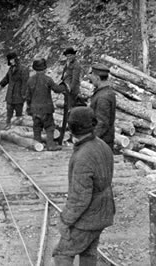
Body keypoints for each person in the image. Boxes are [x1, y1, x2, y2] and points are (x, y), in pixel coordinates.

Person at [52, 106, 115, 266]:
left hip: (88, 217)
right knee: (88, 252)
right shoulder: (102, 146)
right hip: (103, 212)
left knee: (62, 253)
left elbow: (80, 198)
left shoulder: (83, 156)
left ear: (71, 128)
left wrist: (65, 220)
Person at [25, 58, 64, 151]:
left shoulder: (30, 80)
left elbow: (27, 97)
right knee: (49, 127)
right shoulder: (48, 79)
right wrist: (63, 86)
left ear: (34, 68)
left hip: (34, 109)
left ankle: (38, 145)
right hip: (46, 109)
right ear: (45, 68)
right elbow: (56, 89)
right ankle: (50, 145)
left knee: (37, 127)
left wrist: (29, 108)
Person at [88, 63, 116, 151]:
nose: (90, 79)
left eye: (92, 76)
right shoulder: (105, 92)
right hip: (103, 141)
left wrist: (91, 140)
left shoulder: (103, 97)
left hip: (101, 142)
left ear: (97, 78)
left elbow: (102, 123)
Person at [0, 51, 30, 130]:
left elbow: (25, 83)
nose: (11, 61)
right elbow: (6, 79)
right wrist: (0, 85)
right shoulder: (11, 69)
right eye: (9, 60)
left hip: (18, 95)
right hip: (10, 95)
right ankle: (8, 125)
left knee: (18, 112)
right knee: (9, 111)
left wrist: (24, 95)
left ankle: (19, 128)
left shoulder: (23, 69)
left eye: (12, 59)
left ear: (16, 59)